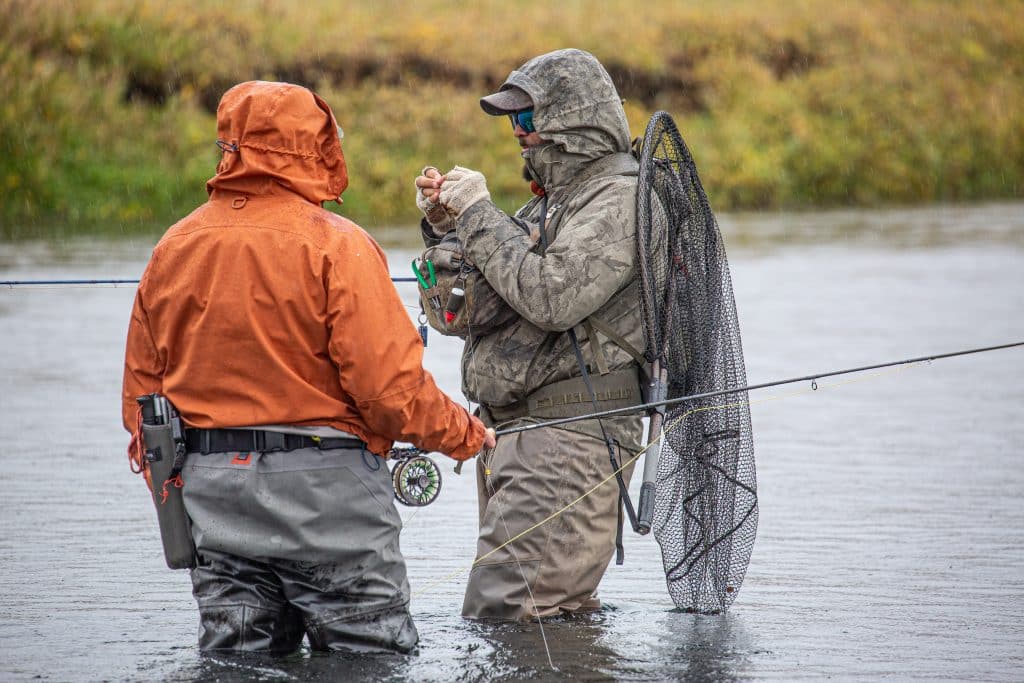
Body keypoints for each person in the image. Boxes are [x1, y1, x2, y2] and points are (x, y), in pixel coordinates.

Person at [122, 80, 495, 655]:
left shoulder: (173, 247)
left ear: (232, 147)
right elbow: (389, 393)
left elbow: (142, 405)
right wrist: (466, 435)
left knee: (236, 664)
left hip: (211, 498)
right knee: (367, 661)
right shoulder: (338, 246)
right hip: (330, 502)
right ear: (313, 147)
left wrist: (181, 490)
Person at [414, 49, 645, 620]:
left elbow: (552, 296)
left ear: (575, 122)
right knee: (540, 620)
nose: (519, 135)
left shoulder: (619, 201)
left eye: (527, 120)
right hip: (519, 440)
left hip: (567, 439)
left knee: (510, 618)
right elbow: (461, 316)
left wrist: (479, 215)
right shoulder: (554, 206)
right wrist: (447, 228)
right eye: (513, 123)